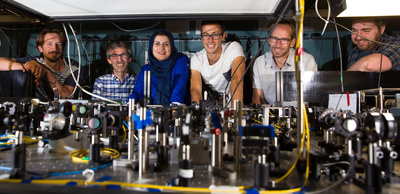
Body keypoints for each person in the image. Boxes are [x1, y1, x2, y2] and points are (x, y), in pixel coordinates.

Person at [0, 28, 81, 100]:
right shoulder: (34, 62)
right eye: (49, 44)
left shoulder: (74, 67)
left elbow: (66, 97)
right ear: (40, 48)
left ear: (63, 48)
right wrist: (26, 66)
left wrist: (47, 71)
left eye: (58, 44)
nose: (54, 48)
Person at [252, 20, 318, 105]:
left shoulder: (306, 61)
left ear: (292, 42)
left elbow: (311, 99)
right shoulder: (260, 63)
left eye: (284, 39)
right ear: (269, 39)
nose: (278, 44)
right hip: (272, 114)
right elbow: (257, 99)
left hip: (299, 114)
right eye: (274, 38)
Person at [190, 20, 245, 106]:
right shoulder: (196, 59)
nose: (210, 40)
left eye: (215, 34)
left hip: (232, 104)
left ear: (223, 36)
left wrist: (235, 115)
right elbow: (195, 90)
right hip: (209, 106)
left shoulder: (233, 48)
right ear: (201, 37)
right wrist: (198, 113)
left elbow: (237, 81)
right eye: (206, 35)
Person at [128, 29, 189, 105]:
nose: (161, 48)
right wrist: (129, 104)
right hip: (150, 113)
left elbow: (179, 86)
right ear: (151, 47)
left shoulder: (180, 61)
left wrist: (174, 106)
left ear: (172, 46)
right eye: (157, 44)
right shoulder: (146, 69)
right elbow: (137, 91)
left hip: (174, 111)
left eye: (166, 44)